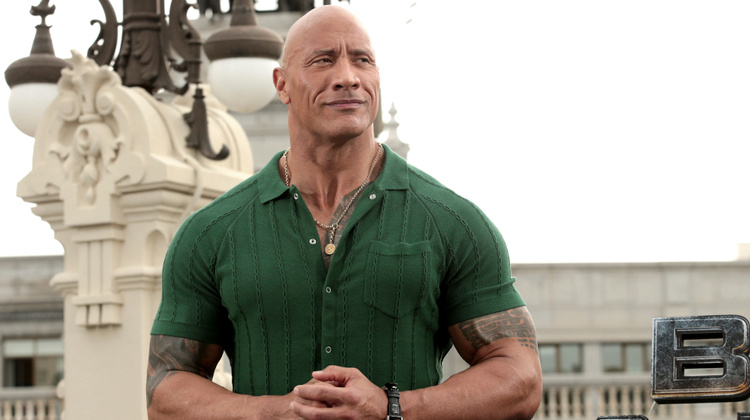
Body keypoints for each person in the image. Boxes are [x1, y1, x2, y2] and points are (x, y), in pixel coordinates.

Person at [146, 5, 542, 420]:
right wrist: (277, 413)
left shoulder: (454, 223)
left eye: (362, 60)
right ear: (282, 84)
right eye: (323, 60)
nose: (348, 76)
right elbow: (165, 391)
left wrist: (392, 408)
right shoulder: (211, 232)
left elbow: (520, 379)